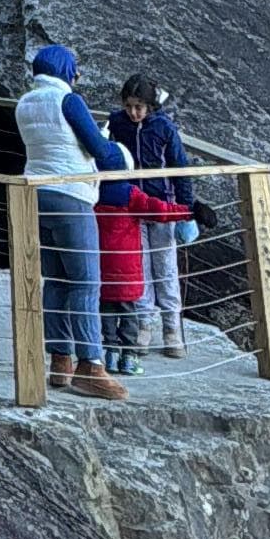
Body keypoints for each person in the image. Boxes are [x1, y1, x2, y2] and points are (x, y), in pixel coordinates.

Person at [15, 42, 127, 399]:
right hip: (71, 196)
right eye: (74, 69)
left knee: (57, 280)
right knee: (85, 282)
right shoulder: (68, 101)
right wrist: (115, 149)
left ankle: (59, 361)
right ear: (65, 70)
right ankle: (91, 366)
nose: (77, 76)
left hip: (35, 193)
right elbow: (98, 148)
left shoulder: (24, 102)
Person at [96, 136, 194, 378]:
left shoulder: (93, 195)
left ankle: (109, 357)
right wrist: (188, 211)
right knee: (129, 316)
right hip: (129, 274)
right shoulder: (131, 195)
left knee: (107, 315)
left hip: (102, 274)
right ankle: (129, 359)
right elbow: (159, 210)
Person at [110, 74, 193, 356]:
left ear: (150, 106)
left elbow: (180, 168)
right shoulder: (117, 123)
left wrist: (186, 211)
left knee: (166, 268)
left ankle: (172, 329)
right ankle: (144, 325)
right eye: (129, 106)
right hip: (132, 207)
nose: (134, 112)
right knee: (140, 267)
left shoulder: (164, 128)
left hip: (161, 208)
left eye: (139, 107)